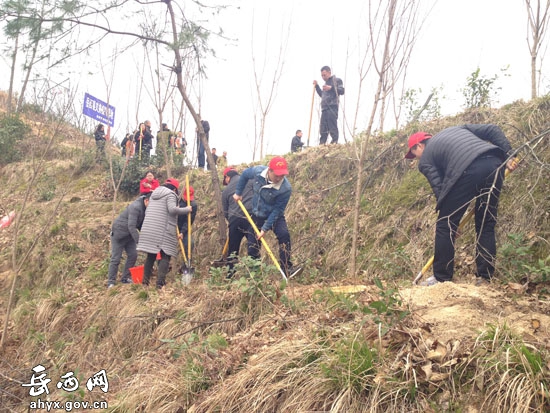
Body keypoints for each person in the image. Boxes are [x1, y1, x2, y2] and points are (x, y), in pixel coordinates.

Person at [404, 124, 518, 287]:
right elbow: (493, 129)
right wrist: (509, 155)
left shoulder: (426, 159)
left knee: (444, 225)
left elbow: (440, 188)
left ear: (420, 146)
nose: (417, 159)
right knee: (486, 221)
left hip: (467, 168)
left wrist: (450, 220)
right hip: (494, 162)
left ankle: (441, 278)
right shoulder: (458, 128)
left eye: (414, 155)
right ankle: (485, 278)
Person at [233, 156, 302, 278]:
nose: (279, 178)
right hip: (257, 214)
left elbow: (277, 210)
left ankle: (287, 269)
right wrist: (238, 192)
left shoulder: (285, 188)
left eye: (282, 175)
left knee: (284, 235)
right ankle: (255, 275)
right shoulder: (258, 171)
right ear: (269, 170)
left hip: (274, 215)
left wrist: (264, 229)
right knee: (252, 245)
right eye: (277, 175)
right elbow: (244, 175)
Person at [137, 179, 193, 289]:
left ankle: (145, 282)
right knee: (165, 255)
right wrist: (187, 209)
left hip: (149, 228)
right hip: (161, 229)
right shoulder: (170, 194)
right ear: (174, 189)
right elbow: (172, 210)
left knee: (151, 255)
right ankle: (160, 283)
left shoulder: (154, 194)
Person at [107, 193, 151, 288]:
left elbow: (140, 225)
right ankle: (111, 282)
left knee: (133, 255)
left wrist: (146, 238)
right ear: (146, 201)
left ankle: (125, 277)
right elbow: (131, 226)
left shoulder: (145, 208)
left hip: (129, 235)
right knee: (116, 258)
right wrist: (139, 241)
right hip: (119, 234)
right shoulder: (136, 207)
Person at [221, 167, 256, 277]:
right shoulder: (249, 181)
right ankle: (255, 273)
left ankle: (230, 275)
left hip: (234, 220)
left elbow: (225, 211)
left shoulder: (225, 191)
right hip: (251, 217)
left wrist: (231, 220)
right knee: (253, 246)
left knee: (233, 249)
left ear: (228, 177)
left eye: (225, 179)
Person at [313, 66, 345, 144]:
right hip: (324, 109)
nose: (323, 77)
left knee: (332, 126)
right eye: (322, 76)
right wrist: (317, 86)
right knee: (323, 128)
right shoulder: (325, 84)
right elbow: (322, 95)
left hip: (332, 107)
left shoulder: (336, 80)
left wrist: (331, 88)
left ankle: (334, 142)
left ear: (329, 72)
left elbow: (342, 90)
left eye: (324, 75)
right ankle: (322, 144)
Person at [178, 185, 198, 254]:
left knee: (190, 243)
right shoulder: (176, 199)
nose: (187, 200)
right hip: (171, 226)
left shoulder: (193, 205)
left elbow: (188, 221)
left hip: (182, 227)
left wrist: (182, 232)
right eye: (186, 197)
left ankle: (187, 264)